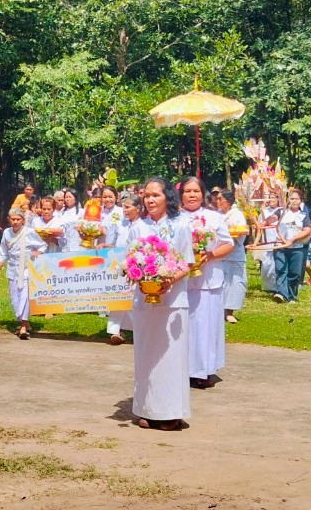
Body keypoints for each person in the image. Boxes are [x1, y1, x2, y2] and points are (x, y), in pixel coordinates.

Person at [128, 177, 194, 431]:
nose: (151, 200)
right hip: (144, 301)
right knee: (146, 356)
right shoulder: (138, 227)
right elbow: (131, 261)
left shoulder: (181, 225)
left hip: (174, 301)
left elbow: (187, 263)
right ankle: (146, 409)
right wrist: (141, 278)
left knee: (171, 357)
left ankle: (171, 412)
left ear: (167, 197)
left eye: (156, 195)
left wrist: (168, 281)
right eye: (147, 196)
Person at [179, 176, 233, 390]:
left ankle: (204, 371)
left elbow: (228, 244)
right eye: (187, 191)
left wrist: (209, 255)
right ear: (181, 194)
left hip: (208, 280)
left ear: (203, 195)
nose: (192, 195)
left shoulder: (214, 217)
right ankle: (182, 369)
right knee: (184, 327)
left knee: (205, 326)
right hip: (180, 282)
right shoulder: (174, 218)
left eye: (196, 191)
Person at [0, 208, 47, 340]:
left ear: (23, 220)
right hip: (12, 270)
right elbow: (3, 252)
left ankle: (23, 326)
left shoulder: (29, 232)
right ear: (9, 220)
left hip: (26, 269)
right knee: (15, 298)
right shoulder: (6, 233)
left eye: (18, 219)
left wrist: (38, 252)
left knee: (24, 296)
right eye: (13, 219)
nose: (15, 222)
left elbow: (42, 245)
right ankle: (25, 321)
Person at [106, 193, 142, 345]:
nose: (124, 210)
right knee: (118, 296)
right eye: (123, 207)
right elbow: (113, 242)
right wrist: (104, 246)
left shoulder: (145, 225)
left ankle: (138, 329)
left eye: (128, 207)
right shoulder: (120, 223)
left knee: (134, 299)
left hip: (137, 267)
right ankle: (115, 331)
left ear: (138, 208)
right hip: (120, 265)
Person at [272, 189, 311, 303]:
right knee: (281, 270)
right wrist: (263, 222)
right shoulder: (280, 212)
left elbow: (307, 230)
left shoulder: (303, 216)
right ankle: (281, 294)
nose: (294, 201)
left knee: (295, 273)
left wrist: (294, 239)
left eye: (296, 199)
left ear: (301, 201)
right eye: (292, 198)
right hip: (280, 246)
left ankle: (292, 295)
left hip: (297, 248)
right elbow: (271, 219)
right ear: (288, 200)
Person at [214, 190, 248, 323]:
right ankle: (217, 310)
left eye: (220, 199)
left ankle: (229, 312)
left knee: (236, 282)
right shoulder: (216, 215)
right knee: (220, 281)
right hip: (220, 253)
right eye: (217, 199)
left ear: (228, 201)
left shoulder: (237, 214)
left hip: (235, 252)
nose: (217, 202)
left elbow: (241, 230)